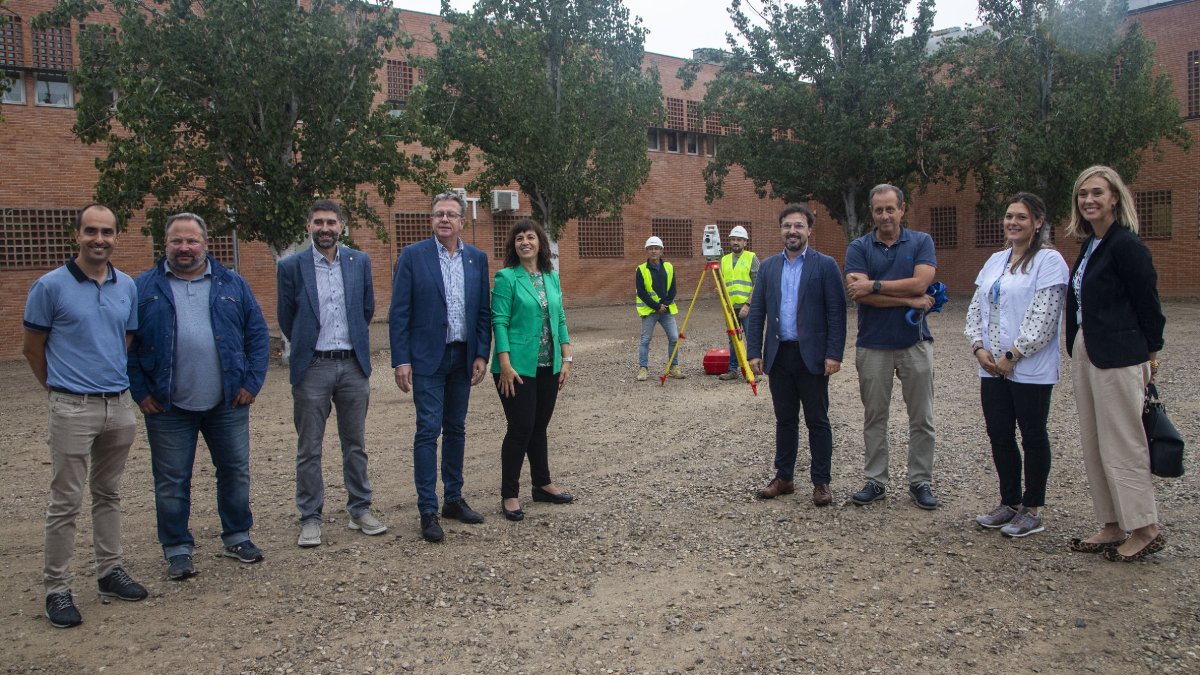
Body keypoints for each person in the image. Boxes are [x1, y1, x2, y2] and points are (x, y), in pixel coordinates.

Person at [22, 203, 147, 628]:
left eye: (107, 232)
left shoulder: (125, 285)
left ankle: (109, 571)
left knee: (109, 493)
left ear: (116, 237)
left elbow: (123, 339)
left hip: (118, 404)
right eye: (91, 231)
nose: (99, 239)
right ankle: (57, 589)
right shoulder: (49, 286)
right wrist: (59, 389)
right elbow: (32, 348)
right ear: (77, 235)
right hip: (72, 404)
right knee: (65, 502)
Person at [128, 212, 269, 580]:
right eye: (177, 241)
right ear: (165, 244)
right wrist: (140, 392)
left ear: (206, 243)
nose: (185, 248)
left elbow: (257, 335)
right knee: (172, 480)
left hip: (226, 402)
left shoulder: (232, 284)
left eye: (192, 241)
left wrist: (251, 383)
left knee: (235, 472)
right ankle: (177, 548)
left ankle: (237, 535)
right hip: (167, 405)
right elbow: (126, 346)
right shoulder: (142, 288)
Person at [1064, 165, 1167, 561]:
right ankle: (1111, 522)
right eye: (1082, 194)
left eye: (1097, 193)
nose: (1088, 200)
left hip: (1121, 356)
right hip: (1088, 349)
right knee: (1094, 442)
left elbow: (1149, 304)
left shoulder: (1126, 245)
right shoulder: (1092, 245)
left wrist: (1151, 355)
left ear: (1114, 198)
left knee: (1123, 441)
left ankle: (1144, 526)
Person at [277, 200, 386, 548]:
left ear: (342, 226)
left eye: (331, 222)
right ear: (309, 226)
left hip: (353, 365)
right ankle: (310, 517)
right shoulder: (291, 266)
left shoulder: (359, 262)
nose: (325, 228)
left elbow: (366, 309)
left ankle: (360, 509)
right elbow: (286, 316)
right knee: (309, 447)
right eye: (318, 222)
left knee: (355, 444)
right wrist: (309, 347)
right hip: (313, 367)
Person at [964, 193, 1068, 538]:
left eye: (1021, 217)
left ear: (1037, 222)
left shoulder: (1049, 261)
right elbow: (976, 308)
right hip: (991, 367)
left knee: (1033, 435)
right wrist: (979, 348)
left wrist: (1012, 356)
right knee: (999, 434)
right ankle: (1008, 502)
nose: (1013, 222)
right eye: (1009, 216)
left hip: (1029, 369)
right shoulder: (995, 260)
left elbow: (1045, 317)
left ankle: (1032, 508)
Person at [389, 192, 491, 542]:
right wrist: (401, 359)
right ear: (431, 220)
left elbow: (482, 312)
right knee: (427, 431)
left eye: (451, 214)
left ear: (463, 220)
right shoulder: (413, 256)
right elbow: (399, 311)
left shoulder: (477, 259)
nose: (444, 219)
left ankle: (453, 499)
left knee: (457, 429)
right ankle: (427, 509)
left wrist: (481, 353)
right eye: (438, 214)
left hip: (462, 358)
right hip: (426, 359)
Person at [844, 184, 940, 510]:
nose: (884, 216)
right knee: (875, 417)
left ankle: (921, 481)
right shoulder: (858, 247)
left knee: (922, 418)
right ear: (872, 212)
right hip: (873, 345)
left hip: (915, 343)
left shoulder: (921, 242)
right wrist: (911, 299)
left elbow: (921, 282)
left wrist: (875, 285)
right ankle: (875, 480)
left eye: (890, 209)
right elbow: (858, 294)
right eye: (878, 210)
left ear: (902, 209)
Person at [745, 205, 846, 506]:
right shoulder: (769, 267)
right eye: (788, 226)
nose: (793, 231)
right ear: (780, 230)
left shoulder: (825, 265)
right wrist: (753, 352)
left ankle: (821, 482)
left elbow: (836, 313)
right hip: (779, 355)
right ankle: (784, 477)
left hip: (813, 356)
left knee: (818, 420)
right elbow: (757, 312)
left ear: (809, 230)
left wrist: (834, 353)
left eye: (799, 226)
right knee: (785, 420)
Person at [491, 219, 575, 521]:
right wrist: (503, 364)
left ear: (540, 242)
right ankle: (510, 495)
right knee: (520, 429)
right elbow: (498, 321)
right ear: (514, 246)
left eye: (530, 237)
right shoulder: (506, 277)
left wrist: (566, 360)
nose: (524, 242)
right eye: (519, 239)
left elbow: (560, 318)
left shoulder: (551, 278)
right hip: (515, 367)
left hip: (548, 365)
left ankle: (542, 484)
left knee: (539, 428)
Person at [635, 236, 683, 381]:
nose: (653, 251)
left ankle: (674, 367)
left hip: (666, 311)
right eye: (650, 249)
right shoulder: (641, 270)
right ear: (647, 251)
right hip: (650, 311)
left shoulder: (669, 267)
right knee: (645, 340)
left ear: (661, 251)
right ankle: (643, 369)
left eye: (656, 248)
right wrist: (657, 306)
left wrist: (665, 305)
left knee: (674, 338)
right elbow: (642, 292)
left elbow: (673, 289)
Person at [719, 225, 760, 381]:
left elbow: (758, 284)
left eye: (739, 239)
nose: (736, 242)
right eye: (733, 239)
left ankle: (753, 371)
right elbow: (724, 283)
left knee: (751, 339)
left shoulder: (751, 258)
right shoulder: (724, 260)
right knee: (733, 339)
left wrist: (747, 305)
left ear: (745, 242)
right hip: (731, 308)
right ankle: (733, 369)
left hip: (748, 308)